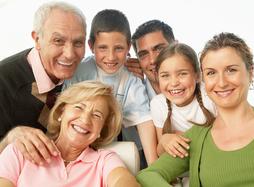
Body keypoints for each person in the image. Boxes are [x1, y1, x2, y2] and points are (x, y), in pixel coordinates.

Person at [136, 32, 254, 187]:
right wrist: (165, 140)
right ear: (204, 78)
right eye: (211, 73)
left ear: (250, 72)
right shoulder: (197, 137)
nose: (222, 83)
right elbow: (148, 175)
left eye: (231, 70)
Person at [63, 9, 157, 168]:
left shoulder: (132, 78)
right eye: (103, 48)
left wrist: (155, 167)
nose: (111, 57)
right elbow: (63, 113)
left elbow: (144, 122)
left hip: (115, 147)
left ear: (128, 47)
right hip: (80, 142)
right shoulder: (79, 72)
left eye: (119, 48)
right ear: (91, 46)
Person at [0, 81, 140, 187]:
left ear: (101, 130)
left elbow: (123, 180)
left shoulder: (104, 160)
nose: (85, 119)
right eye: (79, 107)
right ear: (61, 112)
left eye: (97, 115)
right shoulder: (21, 149)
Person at [0, 1, 86, 165]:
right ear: (37, 39)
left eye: (78, 43)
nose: (69, 54)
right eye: (58, 41)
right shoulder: (4, 80)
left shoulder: (84, 74)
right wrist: (10, 139)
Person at [151, 43, 216, 158]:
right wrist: (164, 140)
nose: (174, 82)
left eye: (182, 74)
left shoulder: (210, 97)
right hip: (182, 172)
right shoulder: (158, 104)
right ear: (157, 77)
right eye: (165, 76)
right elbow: (161, 154)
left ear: (197, 75)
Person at [127, 19, 176, 100]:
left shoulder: (201, 87)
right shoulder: (132, 100)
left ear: (176, 46)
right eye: (143, 54)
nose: (153, 60)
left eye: (159, 49)